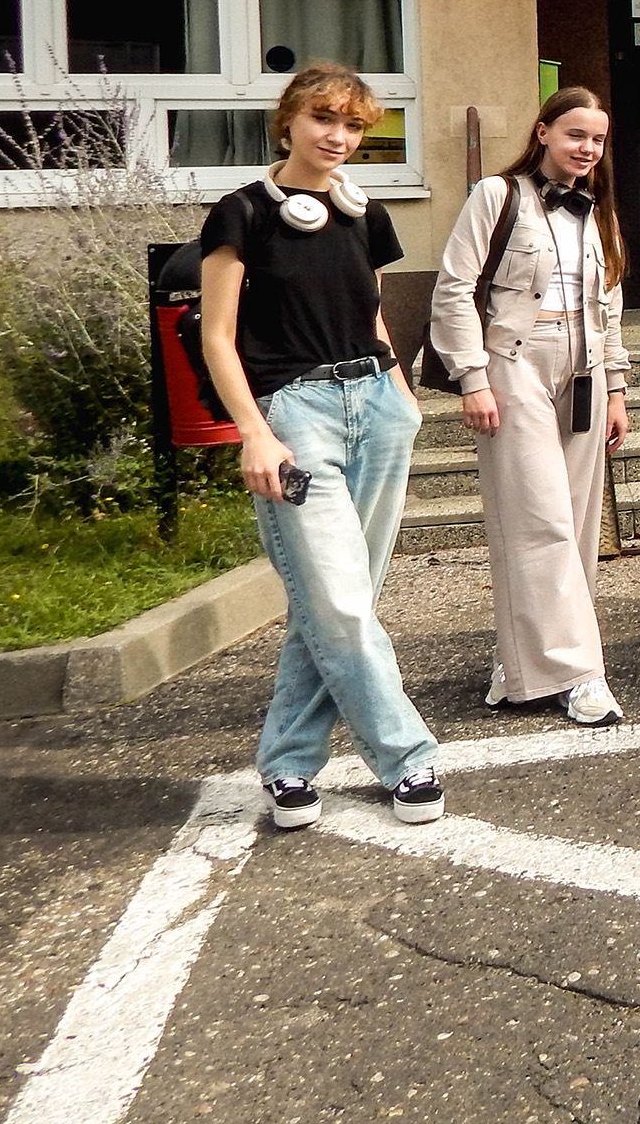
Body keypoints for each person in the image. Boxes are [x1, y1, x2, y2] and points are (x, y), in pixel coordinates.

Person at [198, 62, 440, 831]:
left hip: (378, 408)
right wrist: (254, 433)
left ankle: (288, 762)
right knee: (336, 600)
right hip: (295, 417)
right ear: (289, 122)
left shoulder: (365, 216)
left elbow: (370, 316)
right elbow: (216, 337)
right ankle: (407, 757)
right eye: (324, 119)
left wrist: (401, 394)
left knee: (342, 604)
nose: (339, 136)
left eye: (354, 125)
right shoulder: (243, 213)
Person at [430, 87, 633, 729]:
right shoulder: (498, 195)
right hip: (515, 363)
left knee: (576, 525)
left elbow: (611, 304)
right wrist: (473, 377)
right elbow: (455, 288)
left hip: (585, 370)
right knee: (536, 520)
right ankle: (580, 674)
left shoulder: (599, 211)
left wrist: (617, 386)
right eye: (575, 134)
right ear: (542, 131)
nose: (587, 149)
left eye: (597, 139)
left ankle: (522, 665)